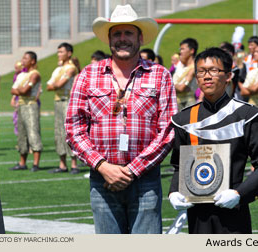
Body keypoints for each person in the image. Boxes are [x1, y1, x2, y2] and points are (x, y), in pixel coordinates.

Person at [65, 4, 177, 234]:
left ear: (140, 37)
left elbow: (167, 131)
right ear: (109, 39)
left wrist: (132, 170)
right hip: (102, 178)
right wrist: (103, 166)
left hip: (145, 179)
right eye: (117, 33)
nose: (122, 39)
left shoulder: (160, 74)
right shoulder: (87, 74)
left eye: (128, 33)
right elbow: (73, 128)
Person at [168, 47, 258, 234]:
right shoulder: (184, 119)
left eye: (214, 71)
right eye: (201, 71)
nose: (207, 76)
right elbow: (178, 165)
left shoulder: (246, 115)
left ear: (229, 76)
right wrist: (174, 191)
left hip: (233, 210)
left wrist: (239, 194)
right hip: (197, 214)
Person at [46, 43, 79, 174]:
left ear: (69, 53)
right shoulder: (58, 69)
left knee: (69, 131)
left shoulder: (71, 68)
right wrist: (55, 84)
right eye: (58, 52)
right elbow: (49, 86)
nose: (59, 54)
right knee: (58, 132)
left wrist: (55, 84)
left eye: (61, 52)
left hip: (67, 101)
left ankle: (74, 164)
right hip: (58, 102)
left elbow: (58, 84)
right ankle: (62, 164)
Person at [10, 51, 42, 172]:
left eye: (25, 58)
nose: (22, 61)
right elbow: (13, 90)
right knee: (22, 134)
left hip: (31, 105)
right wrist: (21, 90)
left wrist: (20, 90)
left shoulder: (34, 74)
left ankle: (35, 164)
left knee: (33, 132)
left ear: (32, 61)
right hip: (22, 106)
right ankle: (22, 162)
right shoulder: (21, 75)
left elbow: (25, 90)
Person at [174, 38, 198, 110]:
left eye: (182, 49)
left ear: (192, 51)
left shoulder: (194, 68)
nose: (180, 52)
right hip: (176, 104)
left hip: (187, 105)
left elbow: (182, 88)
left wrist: (168, 84)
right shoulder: (180, 66)